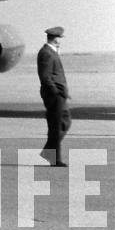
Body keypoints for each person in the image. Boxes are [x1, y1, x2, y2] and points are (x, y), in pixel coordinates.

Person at [38, 26, 70, 167]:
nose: (60, 41)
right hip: (54, 96)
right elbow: (45, 77)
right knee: (55, 127)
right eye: (59, 39)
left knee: (64, 122)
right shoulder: (46, 53)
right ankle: (54, 159)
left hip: (59, 95)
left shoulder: (51, 52)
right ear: (55, 39)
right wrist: (55, 92)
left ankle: (48, 152)